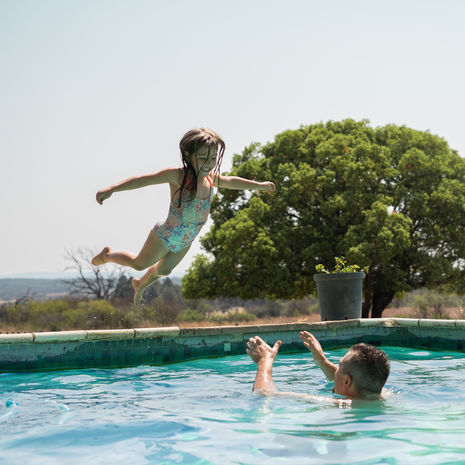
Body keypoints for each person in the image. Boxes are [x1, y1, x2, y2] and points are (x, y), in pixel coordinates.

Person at [92, 128, 276, 303]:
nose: (209, 163)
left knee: (164, 270)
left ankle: (140, 284)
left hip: (186, 240)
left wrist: (258, 186)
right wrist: (113, 189)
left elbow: (233, 182)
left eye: (213, 158)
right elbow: (143, 180)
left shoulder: (211, 179)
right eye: (203, 157)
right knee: (139, 264)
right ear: (189, 155)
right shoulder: (177, 176)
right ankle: (107, 256)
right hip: (165, 235)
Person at [246, 331, 390, 402]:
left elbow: (263, 393)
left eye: (339, 367)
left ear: (347, 381)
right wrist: (322, 360)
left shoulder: (336, 405)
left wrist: (265, 360)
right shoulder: (382, 393)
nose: (335, 371)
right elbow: (359, 377)